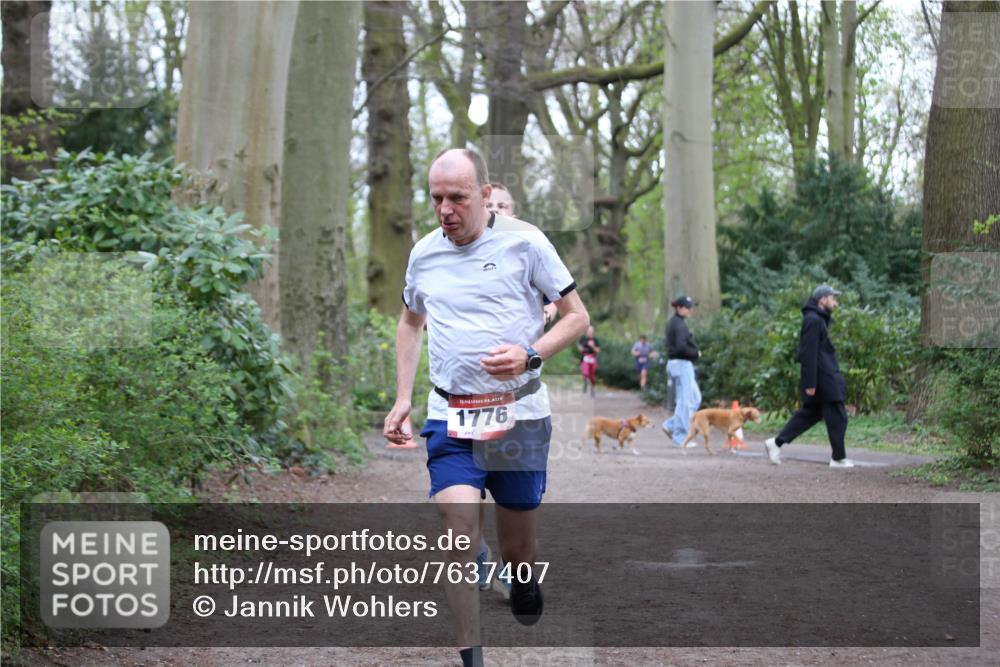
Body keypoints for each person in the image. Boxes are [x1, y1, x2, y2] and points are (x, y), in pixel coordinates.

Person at [384, 148, 589, 665]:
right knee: (458, 536)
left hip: (517, 414)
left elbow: (576, 317)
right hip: (450, 416)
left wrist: (529, 355)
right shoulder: (424, 253)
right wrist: (404, 397)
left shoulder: (527, 242)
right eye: (436, 198)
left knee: (519, 551)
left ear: (483, 192)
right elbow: (410, 323)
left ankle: (521, 582)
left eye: (457, 197)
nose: (445, 209)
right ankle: (472, 658)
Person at [764, 285, 855, 468]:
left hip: (823, 374)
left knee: (810, 413)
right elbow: (808, 352)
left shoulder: (817, 319)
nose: (835, 303)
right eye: (833, 298)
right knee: (838, 415)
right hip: (823, 376)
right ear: (822, 299)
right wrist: (810, 382)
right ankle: (838, 458)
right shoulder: (813, 320)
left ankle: (777, 442)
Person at [488, 183, 558, 325]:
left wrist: (545, 317)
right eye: (488, 205)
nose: (495, 209)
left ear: (513, 217)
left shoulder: (528, 250)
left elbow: (557, 297)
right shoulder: (463, 250)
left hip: (520, 343)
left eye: (502, 206)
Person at [661, 296, 702, 446]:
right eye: (687, 307)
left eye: (691, 307)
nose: (690, 310)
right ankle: (681, 437)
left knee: (695, 398)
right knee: (686, 401)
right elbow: (680, 347)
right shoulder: (678, 324)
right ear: (679, 308)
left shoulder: (677, 323)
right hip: (681, 364)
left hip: (679, 364)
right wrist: (695, 353)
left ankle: (671, 425)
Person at [577, 325, 600, 396]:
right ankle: (585, 382)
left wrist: (593, 346)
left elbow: (598, 350)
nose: (590, 332)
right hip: (585, 358)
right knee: (585, 373)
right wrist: (582, 348)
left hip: (593, 358)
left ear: (593, 332)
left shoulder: (595, 340)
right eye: (588, 330)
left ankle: (592, 388)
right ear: (586, 331)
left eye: (591, 331)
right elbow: (579, 349)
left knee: (592, 376)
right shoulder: (583, 339)